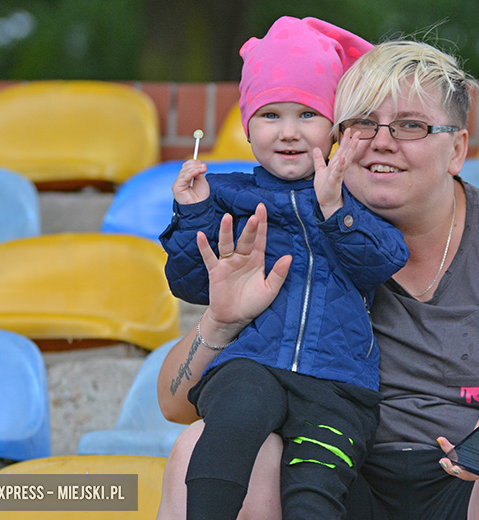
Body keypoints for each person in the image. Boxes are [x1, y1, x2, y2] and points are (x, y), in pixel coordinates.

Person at [157, 38, 479, 520]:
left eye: (411, 125)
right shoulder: (291, 235)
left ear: (457, 149)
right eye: (363, 123)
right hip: (339, 479)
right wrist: (222, 321)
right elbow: (174, 405)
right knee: (198, 446)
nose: (382, 142)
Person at [157, 16, 409, 520]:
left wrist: (335, 209)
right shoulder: (225, 194)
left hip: (338, 383)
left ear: (335, 128)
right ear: (247, 128)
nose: (289, 132)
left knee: (316, 489)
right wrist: (193, 214)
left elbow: (384, 261)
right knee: (229, 427)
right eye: (270, 115)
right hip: (252, 364)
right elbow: (190, 283)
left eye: (308, 114)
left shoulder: (355, 194)